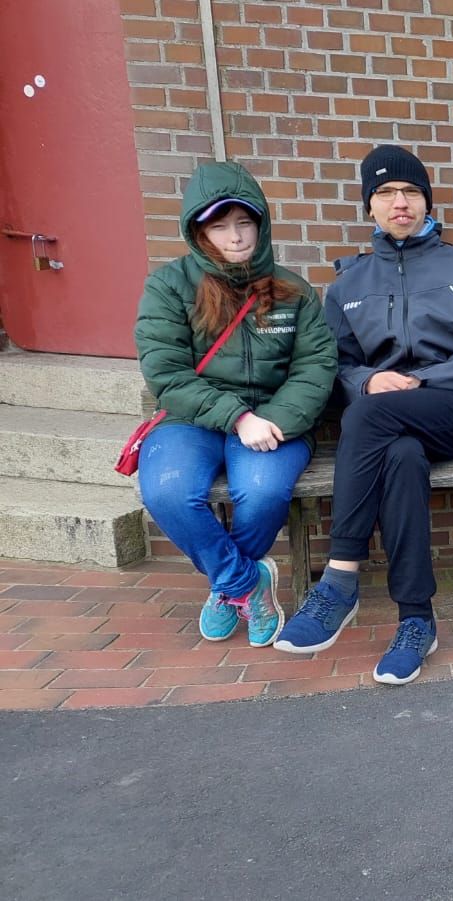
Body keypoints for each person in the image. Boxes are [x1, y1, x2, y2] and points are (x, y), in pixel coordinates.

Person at [273, 145, 453, 686]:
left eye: (411, 191)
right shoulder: (348, 285)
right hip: (388, 426)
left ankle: (340, 577)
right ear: (369, 206)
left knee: (370, 417)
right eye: (386, 193)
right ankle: (417, 619)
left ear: (426, 201)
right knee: (400, 457)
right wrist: (366, 381)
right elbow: (335, 365)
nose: (400, 202)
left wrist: (424, 380)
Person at [134, 161, 336, 648]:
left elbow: (316, 366)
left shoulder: (294, 291)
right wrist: (236, 416)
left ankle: (225, 589)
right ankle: (244, 583)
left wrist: (273, 418)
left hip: (273, 418)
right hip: (191, 419)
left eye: (245, 222)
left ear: (261, 224)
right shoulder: (168, 287)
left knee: (262, 492)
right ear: (199, 232)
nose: (236, 236)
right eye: (220, 226)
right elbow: (166, 372)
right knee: (167, 491)